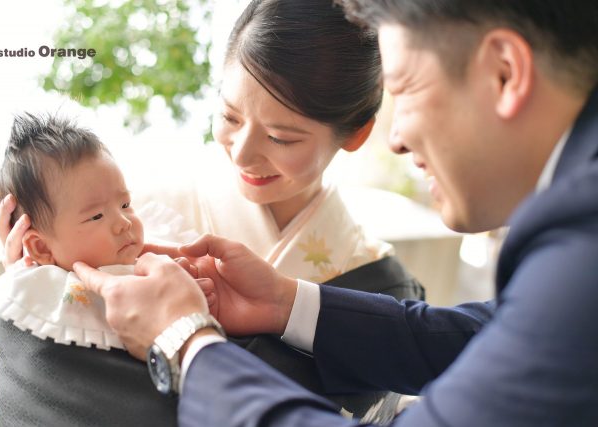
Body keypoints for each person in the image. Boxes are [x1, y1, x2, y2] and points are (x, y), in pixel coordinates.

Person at [71, 0, 598, 426]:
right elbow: (488, 335)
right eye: (230, 115)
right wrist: (285, 302)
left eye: (407, 91)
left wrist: (185, 342)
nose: (396, 139)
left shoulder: (581, 253)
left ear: (504, 72)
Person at [0, 0, 424, 424]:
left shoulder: (378, 283)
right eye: (230, 117)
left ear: (357, 132)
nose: (243, 153)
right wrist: (37, 285)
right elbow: (47, 378)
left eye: (281, 138)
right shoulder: (140, 211)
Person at [0, 113, 204, 426]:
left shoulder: (153, 265)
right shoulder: (38, 296)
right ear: (40, 248)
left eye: (125, 205)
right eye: (96, 216)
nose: (124, 221)